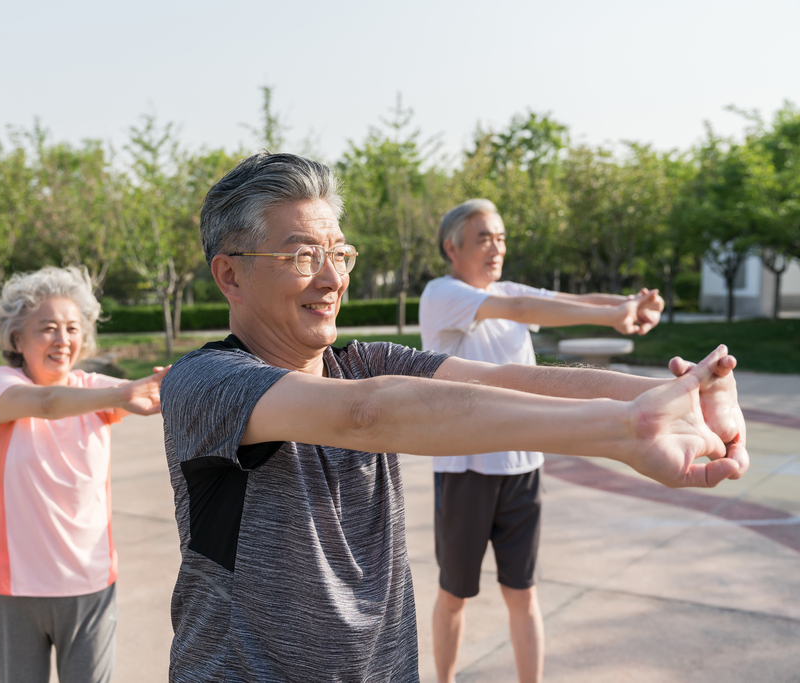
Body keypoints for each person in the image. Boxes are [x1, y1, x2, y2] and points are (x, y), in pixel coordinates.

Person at [159, 152, 748, 683]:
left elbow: (503, 379)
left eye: (338, 253)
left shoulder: (360, 362)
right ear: (230, 275)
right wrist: (624, 430)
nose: (334, 278)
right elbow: (365, 415)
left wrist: (674, 399)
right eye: (301, 255)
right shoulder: (206, 384)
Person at [419, 199, 666, 683]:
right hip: (464, 470)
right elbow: (524, 308)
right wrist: (616, 315)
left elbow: (556, 301)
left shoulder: (504, 289)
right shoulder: (442, 293)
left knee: (523, 593)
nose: (497, 248)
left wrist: (623, 306)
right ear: (452, 247)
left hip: (521, 471)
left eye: (502, 237)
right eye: (484, 237)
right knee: (454, 594)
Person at [0, 265, 168, 683]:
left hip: (90, 584)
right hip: (16, 588)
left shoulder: (95, 388)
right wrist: (122, 393)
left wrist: (184, 381)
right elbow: (45, 402)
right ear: (16, 338)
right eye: (47, 328)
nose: (63, 340)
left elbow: (148, 392)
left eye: (72, 328)